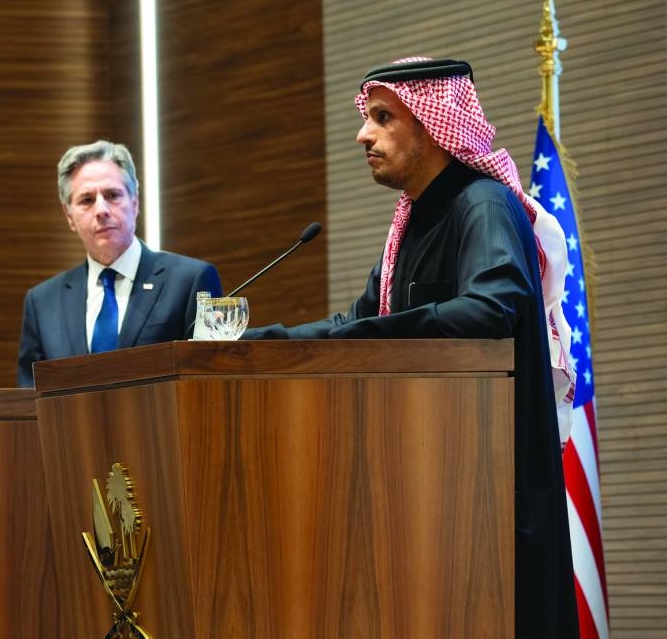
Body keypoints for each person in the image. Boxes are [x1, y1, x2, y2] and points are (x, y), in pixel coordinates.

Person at [243, 57, 579, 639]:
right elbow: (360, 322)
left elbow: (489, 310)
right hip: (426, 487)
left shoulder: (482, 205)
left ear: (431, 123)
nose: (362, 135)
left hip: (489, 495)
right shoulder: (412, 222)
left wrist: (365, 337)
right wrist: (255, 344)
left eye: (382, 118)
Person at [17, 140, 222, 387]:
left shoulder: (190, 281)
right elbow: (30, 398)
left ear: (135, 203)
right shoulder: (43, 302)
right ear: (69, 216)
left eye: (112, 195)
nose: (101, 210)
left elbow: (209, 383)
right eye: (87, 200)